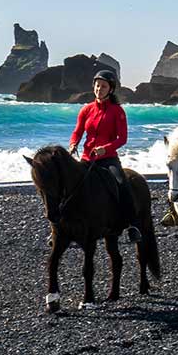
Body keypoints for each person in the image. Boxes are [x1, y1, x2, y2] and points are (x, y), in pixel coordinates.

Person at [68, 69, 140, 243]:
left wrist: (105, 149)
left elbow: (122, 139)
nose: (99, 89)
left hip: (108, 159)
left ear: (111, 89)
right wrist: (73, 144)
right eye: (97, 85)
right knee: (69, 185)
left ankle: (132, 225)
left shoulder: (117, 111)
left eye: (104, 86)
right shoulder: (86, 110)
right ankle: (65, 225)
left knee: (122, 183)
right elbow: (77, 131)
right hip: (87, 158)